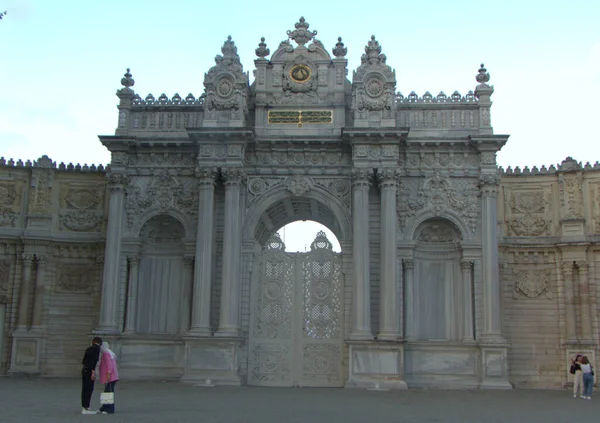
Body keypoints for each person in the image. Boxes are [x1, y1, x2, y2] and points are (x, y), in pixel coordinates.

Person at [81, 336, 102, 415]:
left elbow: (84, 361)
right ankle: (86, 407)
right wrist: (93, 372)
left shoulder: (88, 349)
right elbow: (94, 361)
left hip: (84, 369)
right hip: (90, 370)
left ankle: (84, 406)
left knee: (84, 389)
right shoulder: (96, 349)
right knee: (89, 389)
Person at [98, 342, 119, 414]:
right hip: (112, 376)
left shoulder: (106, 353)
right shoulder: (111, 353)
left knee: (108, 392)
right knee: (108, 392)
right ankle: (104, 407)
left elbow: (109, 363)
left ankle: (109, 409)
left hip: (109, 376)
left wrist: (109, 372)